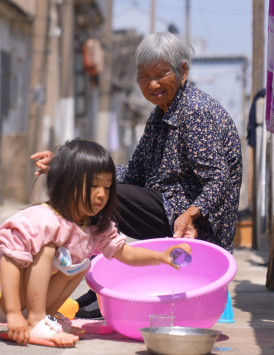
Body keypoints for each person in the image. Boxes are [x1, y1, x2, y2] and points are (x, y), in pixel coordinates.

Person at [32, 32, 242, 317]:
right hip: (168, 208)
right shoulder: (160, 115)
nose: (152, 84)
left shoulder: (194, 111)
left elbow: (219, 180)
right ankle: (95, 288)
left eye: (161, 74)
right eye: (144, 76)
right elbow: (133, 173)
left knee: (101, 198)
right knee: (93, 190)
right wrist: (68, 165)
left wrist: (191, 214)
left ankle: (89, 286)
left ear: (183, 71)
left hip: (195, 225)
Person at [0, 138, 189, 347]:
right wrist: (12, 314)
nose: (101, 194)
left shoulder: (95, 226)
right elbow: (9, 260)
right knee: (47, 247)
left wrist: (161, 256)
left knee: (83, 264)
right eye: (94, 185)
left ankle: (46, 317)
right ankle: (37, 321)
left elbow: (126, 253)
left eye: (107, 187)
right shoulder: (43, 219)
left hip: (30, 301)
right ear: (67, 184)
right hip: (7, 297)